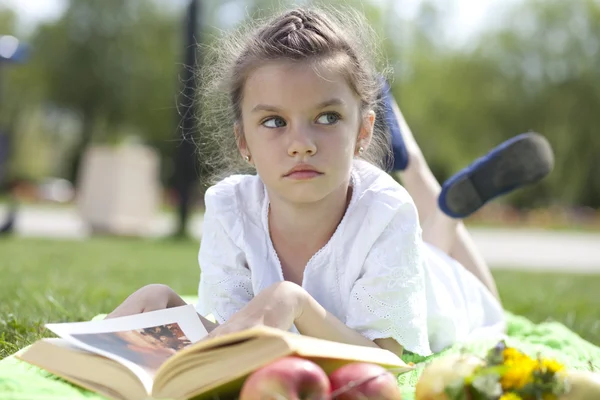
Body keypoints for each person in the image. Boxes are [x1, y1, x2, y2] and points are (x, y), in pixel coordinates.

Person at [107, 6, 554, 357]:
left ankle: (427, 184)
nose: (300, 144)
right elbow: (232, 335)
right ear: (243, 141)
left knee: (488, 305)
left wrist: (296, 302)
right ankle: (429, 188)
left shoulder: (387, 212)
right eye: (274, 122)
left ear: (362, 132)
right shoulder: (229, 208)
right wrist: (168, 308)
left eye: (327, 117)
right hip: (399, 251)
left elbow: (385, 358)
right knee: (429, 240)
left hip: (436, 288)